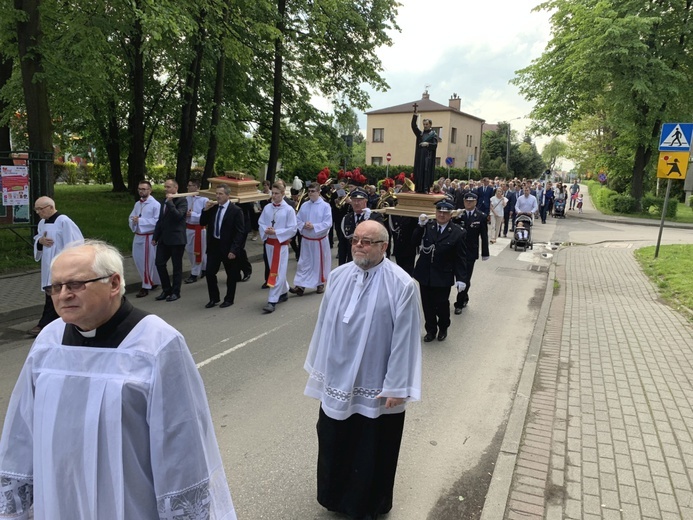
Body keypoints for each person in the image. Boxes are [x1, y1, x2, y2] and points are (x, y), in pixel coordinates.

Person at [0, 240, 237, 519]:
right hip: (59, 501)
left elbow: (180, 443)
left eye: (75, 284)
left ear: (114, 283)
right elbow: (22, 429)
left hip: (129, 504)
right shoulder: (49, 341)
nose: (63, 295)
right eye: (55, 287)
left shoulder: (156, 344)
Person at [304, 220, 422, 520]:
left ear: (384, 246)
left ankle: (368, 504)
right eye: (356, 239)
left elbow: (405, 339)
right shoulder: (338, 275)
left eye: (367, 241)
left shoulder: (402, 284)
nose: (359, 245)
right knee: (334, 439)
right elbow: (325, 327)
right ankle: (333, 496)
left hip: (376, 381)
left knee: (370, 446)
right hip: (339, 378)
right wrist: (321, 370)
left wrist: (396, 386)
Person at [413, 200, 467, 342]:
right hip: (425, 274)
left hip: (443, 274)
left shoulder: (457, 232)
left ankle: (443, 327)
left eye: (445, 213)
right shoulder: (427, 226)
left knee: (442, 304)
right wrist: (419, 226)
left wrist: (461, 278)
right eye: (439, 212)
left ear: (450, 215)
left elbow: (461, 258)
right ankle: (430, 330)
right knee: (427, 304)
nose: (441, 215)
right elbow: (413, 242)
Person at [30, 196, 84, 336]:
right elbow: (37, 238)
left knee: (57, 293)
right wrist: (40, 241)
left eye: (40, 209)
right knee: (51, 292)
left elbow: (75, 242)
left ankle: (46, 324)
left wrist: (70, 262)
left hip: (61, 264)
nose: (38, 212)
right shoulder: (42, 222)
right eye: (36, 209)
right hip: (48, 263)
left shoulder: (64, 221)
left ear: (50, 207)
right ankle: (55, 323)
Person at [199, 185, 246, 309]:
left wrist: (234, 250)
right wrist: (205, 210)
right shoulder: (213, 208)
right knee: (209, 272)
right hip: (214, 245)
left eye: (221, 194)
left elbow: (240, 232)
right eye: (217, 194)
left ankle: (229, 299)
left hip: (228, 247)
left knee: (231, 274)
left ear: (227, 195)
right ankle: (214, 298)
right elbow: (202, 223)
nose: (218, 196)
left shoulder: (235, 211)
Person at [259, 182, 297, 313]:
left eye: (276, 193)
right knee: (275, 270)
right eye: (272, 193)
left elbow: (292, 228)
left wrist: (276, 232)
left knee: (276, 272)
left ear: (282, 194)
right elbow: (261, 222)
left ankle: (272, 300)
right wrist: (266, 230)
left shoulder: (288, 210)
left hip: (280, 245)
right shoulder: (267, 208)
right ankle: (284, 291)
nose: (273, 196)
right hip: (269, 243)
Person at [291, 182, 332, 296]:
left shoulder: (325, 206)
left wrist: (314, 226)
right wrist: (304, 224)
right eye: (309, 191)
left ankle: (319, 284)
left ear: (319, 192)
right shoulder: (304, 205)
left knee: (317, 263)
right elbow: (297, 220)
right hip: (306, 240)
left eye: (313, 191)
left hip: (319, 240)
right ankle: (300, 285)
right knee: (303, 263)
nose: (310, 193)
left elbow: (328, 223)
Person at [453, 192, 489, 313]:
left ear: (476, 202)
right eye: (467, 201)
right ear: (463, 202)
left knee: (466, 278)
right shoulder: (458, 215)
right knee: (458, 277)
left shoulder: (481, 216)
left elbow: (484, 236)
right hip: (457, 251)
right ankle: (464, 296)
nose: (469, 203)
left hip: (470, 252)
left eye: (471, 201)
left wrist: (485, 253)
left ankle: (459, 303)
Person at [152, 178, 188, 302]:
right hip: (163, 239)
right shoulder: (164, 201)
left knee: (176, 267)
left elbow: (178, 216)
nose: (165, 189)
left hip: (177, 239)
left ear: (175, 188)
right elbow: (160, 220)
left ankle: (175, 292)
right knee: (159, 263)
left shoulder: (182, 201)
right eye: (165, 187)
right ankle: (166, 289)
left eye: (168, 187)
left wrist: (170, 203)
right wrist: (155, 237)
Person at [128, 181, 161, 298]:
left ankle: (145, 286)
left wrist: (140, 221)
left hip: (148, 237)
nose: (141, 191)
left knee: (147, 262)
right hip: (138, 235)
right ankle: (154, 281)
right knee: (138, 259)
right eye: (139, 189)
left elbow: (157, 222)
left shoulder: (155, 204)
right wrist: (134, 220)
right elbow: (131, 216)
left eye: (144, 189)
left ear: (150, 190)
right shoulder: (138, 204)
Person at [338, 188, 384, 265]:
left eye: (359, 200)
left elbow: (379, 239)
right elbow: (342, 245)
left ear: (365, 200)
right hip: (351, 261)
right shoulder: (347, 218)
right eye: (354, 200)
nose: (356, 203)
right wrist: (341, 265)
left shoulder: (374, 217)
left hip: (369, 260)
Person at [184, 179, 209, 284]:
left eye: (191, 185)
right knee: (190, 250)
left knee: (198, 252)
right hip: (188, 228)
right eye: (188, 185)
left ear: (197, 187)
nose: (189, 187)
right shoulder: (187, 198)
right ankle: (205, 269)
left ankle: (194, 274)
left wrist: (192, 214)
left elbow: (206, 216)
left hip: (199, 228)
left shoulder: (204, 199)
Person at [411, 113, 438, 193]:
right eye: (424, 124)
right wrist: (415, 116)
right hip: (420, 157)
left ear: (430, 125)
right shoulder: (420, 134)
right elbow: (413, 126)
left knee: (426, 172)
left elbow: (435, 145)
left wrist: (428, 144)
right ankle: (418, 188)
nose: (425, 126)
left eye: (427, 124)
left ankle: (426, 188)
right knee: (419, 171)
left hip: (428, 157)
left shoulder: (433, 135)